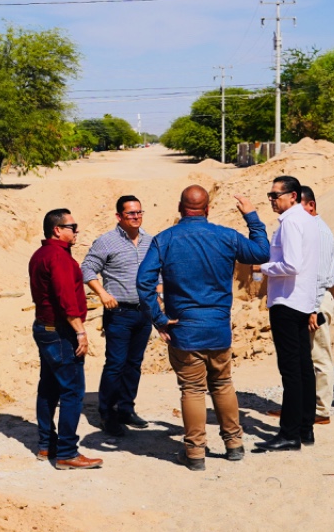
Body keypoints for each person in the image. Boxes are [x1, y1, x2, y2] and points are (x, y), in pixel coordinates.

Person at [137, 186, 270, 471]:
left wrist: (158, 319)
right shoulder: (226, 236)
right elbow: (261, 252)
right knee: (222, 384)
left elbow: (143, 283)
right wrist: (252, 217)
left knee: (192, 389)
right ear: (207, 208)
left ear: (179, 207)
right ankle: (234, 443)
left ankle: (195, 453)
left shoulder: (165, 239)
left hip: (184, 329)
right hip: (218, 328)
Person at [29, 209, 103, 469]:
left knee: (49, 388)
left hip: (45, 329)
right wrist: (80, 330)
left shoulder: (41, 254)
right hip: (60, 332)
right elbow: (65, 299)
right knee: (72, 392)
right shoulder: (58, 257)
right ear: (57, 230)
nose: (76, 231)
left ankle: (46, 444)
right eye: (72, 226)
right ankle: (67, 452)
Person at [255, 176, 322, 453]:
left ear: (293, 196)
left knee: (291, 371)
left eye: (276, 195)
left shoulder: (292, 222)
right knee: (304, 368)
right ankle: (305, 427)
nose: (272, 199)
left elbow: (291, 264)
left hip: (287, 301)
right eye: (270, 195)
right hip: (301, 299)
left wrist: (263, 268)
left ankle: (290, 433)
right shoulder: (308, 221)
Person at [82, 195, 154, 435]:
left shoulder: (150, 241)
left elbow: (158, 271)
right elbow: (87, 268)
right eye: (130, 214)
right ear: (119, 217)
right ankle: (107, 413)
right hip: (119, 313)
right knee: (115, 364)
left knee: (134, 364)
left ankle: (126, 408)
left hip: (144, 313)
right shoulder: (106, 242)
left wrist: (159, 295)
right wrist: (102, 293)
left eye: (139, 212)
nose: (136, 217)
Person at [301, 187, 334, 426]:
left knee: (320, 356)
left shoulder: (320, 234)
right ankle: (303, 406)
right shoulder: (306, 231)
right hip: (305, 300)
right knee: (303, 357)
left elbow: (322, 276)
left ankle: (321, 411)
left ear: (311, 206)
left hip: (316, 300)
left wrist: (313, 308)